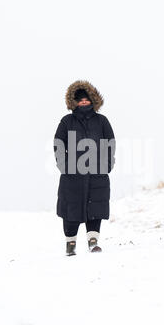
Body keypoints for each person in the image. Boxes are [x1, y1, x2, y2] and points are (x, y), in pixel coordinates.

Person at [53, 80, 116, 256]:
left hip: (98, 174)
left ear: (93, 100)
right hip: (72, 175)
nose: (83, 102)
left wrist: (107, 164)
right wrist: (65, 166)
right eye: (80, 99)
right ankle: (70, 245)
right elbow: (58, 144)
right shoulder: (66, 122)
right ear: (73, 101)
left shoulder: (102, 121)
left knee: (95, 207)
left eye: (86, 99)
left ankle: (93, 241)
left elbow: (110, 143)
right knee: (71, 208)